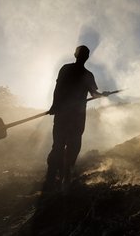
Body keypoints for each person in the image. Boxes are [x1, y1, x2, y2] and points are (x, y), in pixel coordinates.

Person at [43, 45, 107, 192]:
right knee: (66, 146)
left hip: (71, 114)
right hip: (72, 115)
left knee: (66, 146)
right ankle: (56, 178)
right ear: (80, 55)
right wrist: (54, 105)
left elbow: (93, 93)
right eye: (83, 53)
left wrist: (102, 94)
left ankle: (58, 178)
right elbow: (59, 88)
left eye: (85, 53)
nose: (83, 55)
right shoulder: (75, 71)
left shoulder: (75, 71)